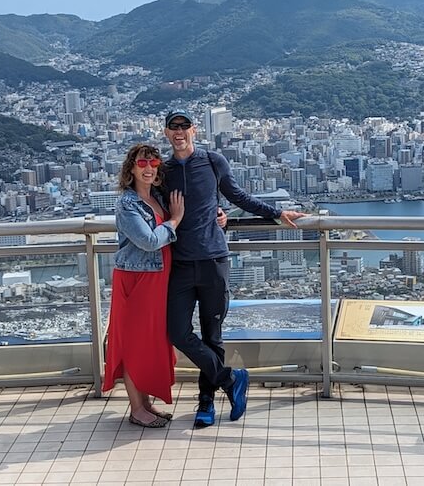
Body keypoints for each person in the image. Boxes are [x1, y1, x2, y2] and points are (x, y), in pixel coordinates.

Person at [162, 110, 308, 428]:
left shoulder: (213, 161)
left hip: (214, 259)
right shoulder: (164, 170)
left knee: (213, 336)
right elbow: (155, 210)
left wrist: (276, 212)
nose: (179, 132)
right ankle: (231, 379)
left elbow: (237, 195)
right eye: (173, 127)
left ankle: (206, 403)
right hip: (182, 264)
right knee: (176, 331)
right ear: (165, 133)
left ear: (194, 131)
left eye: (184, 126)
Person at [102, 143, 184, 428]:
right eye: (142, 163)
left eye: (153, 162)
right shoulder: (127, 203)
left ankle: (146, 404)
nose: (148, 167)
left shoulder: (155, 197)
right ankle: (137, 409)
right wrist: (173, 221)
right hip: (136, 280)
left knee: (149, 343)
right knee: (135, 344)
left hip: (156, 279)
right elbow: (148, 241)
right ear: (131, 168)